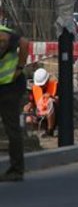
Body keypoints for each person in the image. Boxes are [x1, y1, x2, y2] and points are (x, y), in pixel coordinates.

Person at [0, 22, 29, 181]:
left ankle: (17, 170)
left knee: (12, 128)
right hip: (8, 85)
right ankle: (16, 169)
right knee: (12, 128)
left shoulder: (2, 33)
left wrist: (19, 67)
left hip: (9, 86)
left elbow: (24, 43)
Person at [26, 67, 58, 136]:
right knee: (28, 119)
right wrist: (29, 106)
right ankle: (43, 130)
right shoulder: (34, 89)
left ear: (47, 80)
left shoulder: (56, 86)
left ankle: (50, 130)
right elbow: (32, 103)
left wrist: (52, 97)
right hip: (41, 116)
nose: (41, 87)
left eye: (43, 85)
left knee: (50, 101)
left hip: (55, 116)